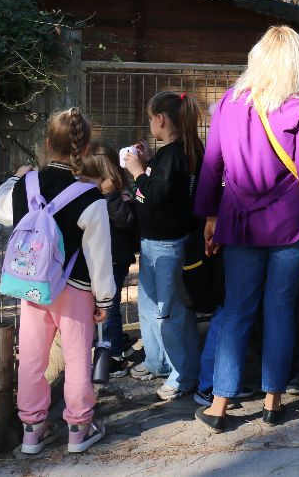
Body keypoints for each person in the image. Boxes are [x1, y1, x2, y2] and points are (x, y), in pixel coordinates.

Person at [192, 26, 299, 431]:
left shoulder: (229, 103)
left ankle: (220, 404)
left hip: (238, 224)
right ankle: (273, 400)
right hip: (289, 225)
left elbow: (210, 167)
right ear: (297, 63)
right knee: (279, 311)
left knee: (237, 312)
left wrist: (209, 216)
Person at [0, 108, 114, 454]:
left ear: (46, 143)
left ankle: (32, 429)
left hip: (31, 286)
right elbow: (99, 256)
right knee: (77, 357)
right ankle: (78, 427)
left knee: (31, 356)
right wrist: (104, 300)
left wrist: (16, 178)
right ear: (85, 148)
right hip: (74, 288)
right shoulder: (90, 196)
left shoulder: (25, 186)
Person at [122, 91, 203, 403]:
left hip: (168, 246)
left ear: (161, 119)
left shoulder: (175, 155)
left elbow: (157, 194)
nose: (149, 124)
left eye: (150, 118)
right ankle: (157, 361)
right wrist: (145, 164)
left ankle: (184, 375)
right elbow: (159, 188)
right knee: (149, 307)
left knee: (171, 314)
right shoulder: (175, 152)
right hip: (155, 243)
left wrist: (138, 172)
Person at [81, 143, 137, 377]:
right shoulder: (91, 192)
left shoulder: (119, 192)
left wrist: (111, 195)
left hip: (113, 258)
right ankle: (111, 343)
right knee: (103, 306)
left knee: (109, 307)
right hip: (100, 257)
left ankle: (113, 356)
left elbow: (127, 221)